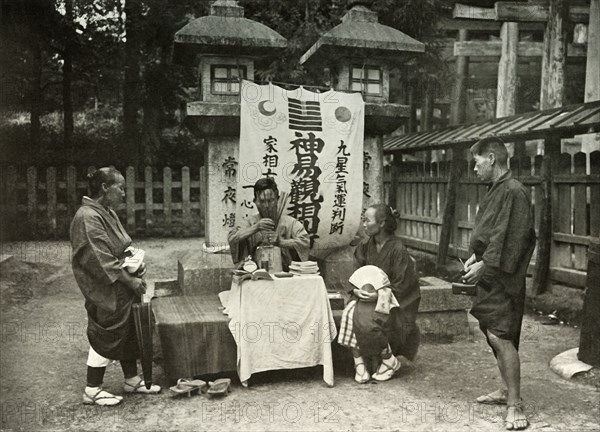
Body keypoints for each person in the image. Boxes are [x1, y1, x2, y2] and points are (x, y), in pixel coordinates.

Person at [70, 167, 160, 406]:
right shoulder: (88, 216)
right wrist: (130, 279)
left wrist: (135, 263)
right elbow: (100, 259)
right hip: (105, 287)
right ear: (104, 188)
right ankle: (92, 387)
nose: (123, 192)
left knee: (128, 329)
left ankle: (131, 379)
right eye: (120, 187)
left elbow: (123, 244)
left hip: (121, 282)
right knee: (107, 332)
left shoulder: (106, 212)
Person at [462, 137, 536, 431]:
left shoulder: (515, 191)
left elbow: (514, 239)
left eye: (477, 161)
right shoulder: (495, 190)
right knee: (491, 332)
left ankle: (514, 405)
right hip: (489, 271)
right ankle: (505, 389)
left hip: (504, 275)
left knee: (501, 336)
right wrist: (473, 257)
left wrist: (487, 264)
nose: (475, 168)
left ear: (491, 158)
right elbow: (489, 233)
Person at [338, 204, 421, 383]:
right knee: (348, 313)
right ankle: (359, 362)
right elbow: (356, 275)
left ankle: (388, 359)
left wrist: (379, 295)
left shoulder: (397, 249)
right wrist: (356, 290)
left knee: (367, 320)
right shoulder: (365, 246)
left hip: (392, 302)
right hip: (366, 298)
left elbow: (403, 285)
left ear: (382, 223)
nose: (364, 224)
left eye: (367, 220)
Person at [228, 177, 310, 270]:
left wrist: (281, 242)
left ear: (277, 199)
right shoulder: (250, 222)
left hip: (286, 275)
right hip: (255, 275)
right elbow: (233, 238)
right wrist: (256, 228)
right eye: (262, 201)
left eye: (270, 201)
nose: (266, 206)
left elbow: (304, 242)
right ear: (255, 201)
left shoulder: (290, 223)